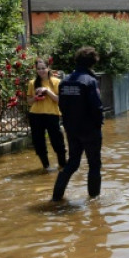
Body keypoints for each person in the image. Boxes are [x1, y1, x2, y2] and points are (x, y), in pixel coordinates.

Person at [52, 47, 105, 201]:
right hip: (90, 130)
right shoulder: (90, 81)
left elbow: (62, 105)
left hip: (72, 129)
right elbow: (97, 107)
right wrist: (98, 124)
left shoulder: (65, 81)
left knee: (72, 163)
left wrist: (69, 124)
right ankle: (94, 200)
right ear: (92, 63)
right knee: (94, 164)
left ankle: (56, 198)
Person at [27, 58, 67, 171]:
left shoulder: (56, 82)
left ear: (48, 68)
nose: (41, 71)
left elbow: (60, 100)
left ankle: (63, 166)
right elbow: (29, 101)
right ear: (36, 70)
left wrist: (47, 91)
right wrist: (36, 97)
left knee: (57, 141)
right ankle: (46, 167)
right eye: (39, 69)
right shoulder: (32, 83)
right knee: (38, 142)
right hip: (35, 115)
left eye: (43, 68)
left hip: (52, 115)